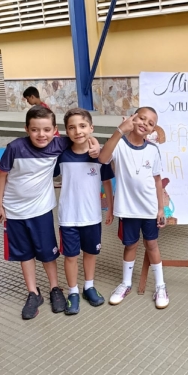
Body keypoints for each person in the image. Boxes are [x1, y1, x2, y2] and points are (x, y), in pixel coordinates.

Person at [0, 105, 100, 320]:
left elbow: (82, 135)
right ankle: (33, 293)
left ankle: (55, 288)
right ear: (26, 129)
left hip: (41, 209)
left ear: (55, 131)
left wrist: (95, 143)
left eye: (46, 129)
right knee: (25, 254)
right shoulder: (15, 147)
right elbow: (1, 174)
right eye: (34, 129)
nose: (41, 134)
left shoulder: (59, 143)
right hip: (14, 211)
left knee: (48, 253)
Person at [98, 107, 169, 309]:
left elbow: (157, 180)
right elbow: (102, 158)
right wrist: (120, 129)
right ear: (132, 118)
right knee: (130, 245)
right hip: (127, 209)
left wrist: (161, 209)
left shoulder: (153, 149)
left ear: (153, 129)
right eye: (141, 118)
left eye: (150, 123)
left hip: (149, 209)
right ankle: (126, 283)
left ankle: (160, 286)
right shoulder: (119, 144)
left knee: (152, 244)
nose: (145, 124)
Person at [54, 108, 114, 315]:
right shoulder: (61, 155)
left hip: (92, 216)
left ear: (91, 128)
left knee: (90, 253)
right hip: (68, 217)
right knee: (70, 256)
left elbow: (107, 182)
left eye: (82, 126)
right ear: (66, 131)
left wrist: (110, 208)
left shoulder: (99, 156)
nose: (78, 131)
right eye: (71, 127)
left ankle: (89, 287)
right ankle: (73, 292)